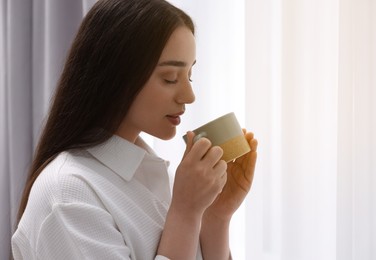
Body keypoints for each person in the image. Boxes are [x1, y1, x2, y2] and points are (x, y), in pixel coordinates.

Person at [12, 0, 258, 259]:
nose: (189, 95)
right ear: (116, 75)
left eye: (190, 76)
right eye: (170, 78)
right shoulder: (68, 196)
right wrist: (185, 213)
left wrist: (215, 216)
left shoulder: (150, 177)